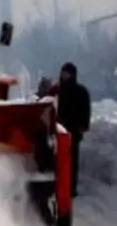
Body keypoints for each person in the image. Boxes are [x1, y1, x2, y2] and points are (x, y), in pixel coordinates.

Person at [38, 62, 91, 197]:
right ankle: (57, 186)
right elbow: (44, 102)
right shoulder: (57, 90)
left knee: (72, 161)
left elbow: (86, 111)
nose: (64, 76)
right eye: (63, 73)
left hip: (73, 131)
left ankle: (71, 188)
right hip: (57, 130)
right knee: (56, 159)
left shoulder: (81, 92)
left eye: (67, 74)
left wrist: (83, 126)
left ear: (73, 75)